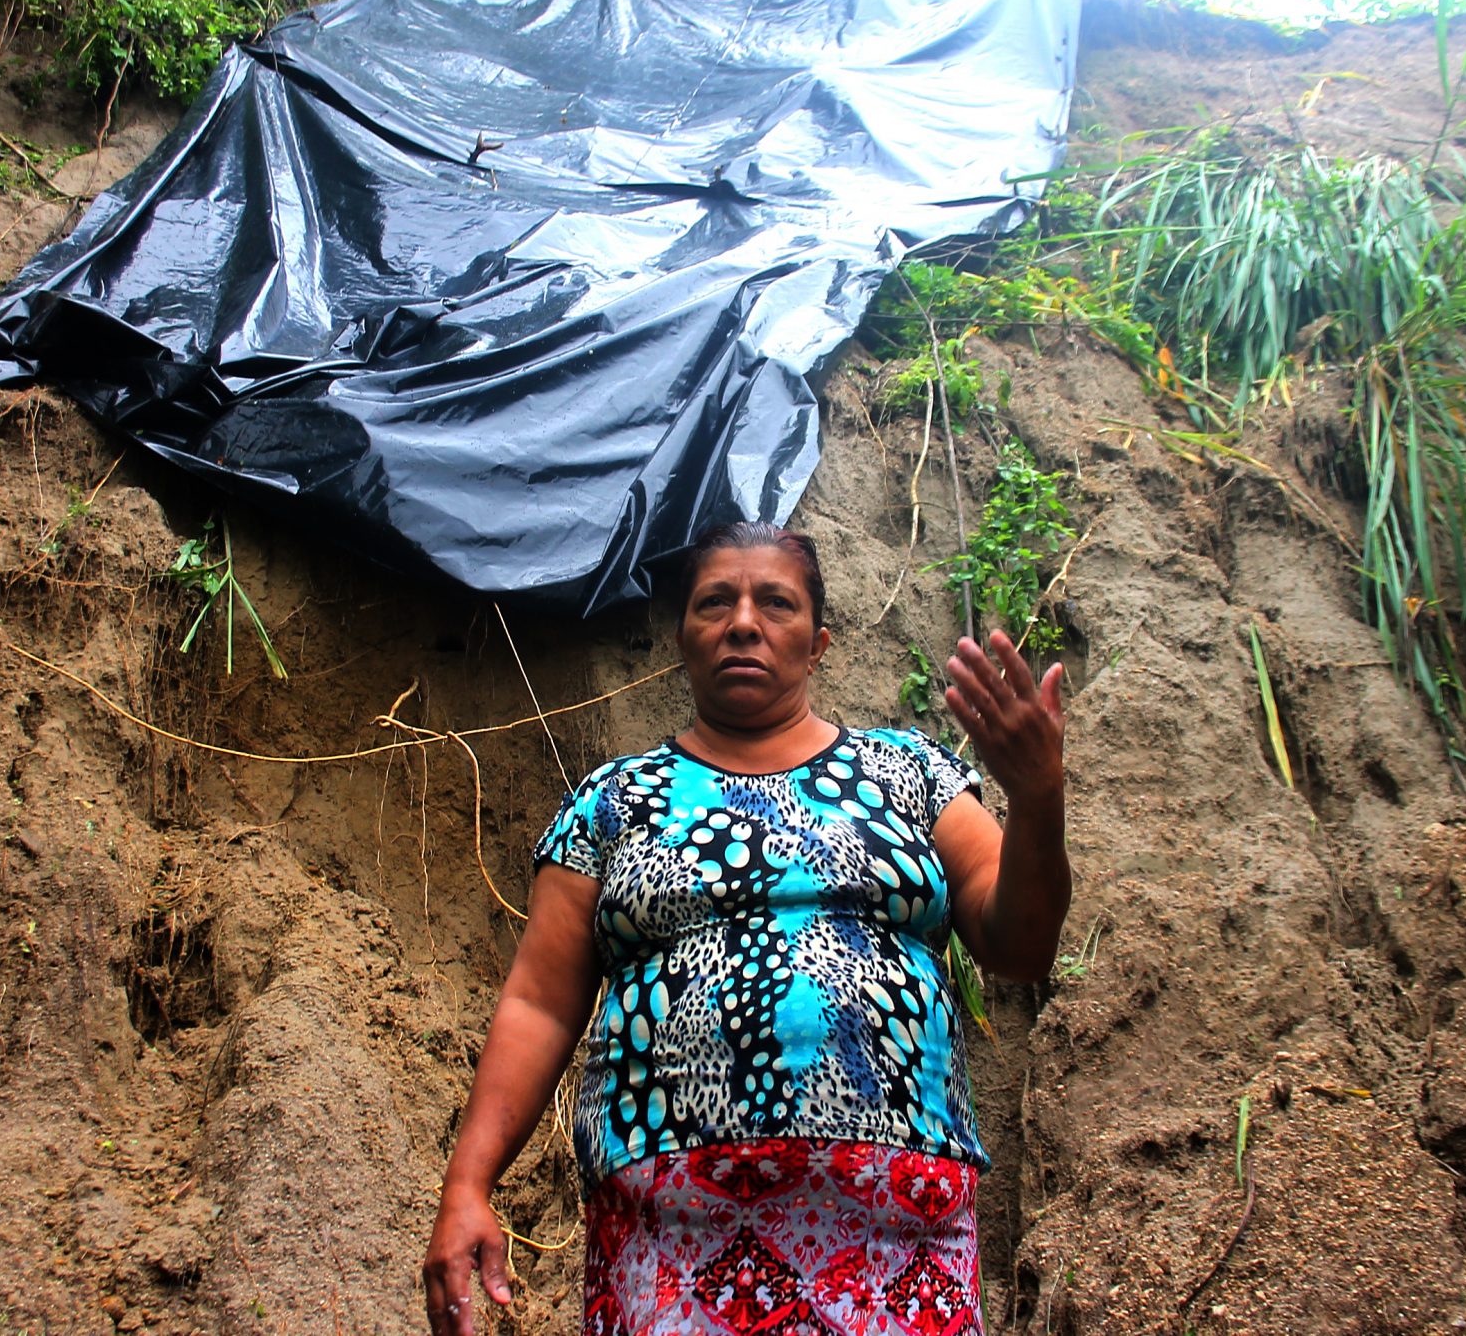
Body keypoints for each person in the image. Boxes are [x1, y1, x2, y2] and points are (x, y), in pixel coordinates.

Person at [423, 521, 1072, 1335]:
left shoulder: (909, 772)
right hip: (670, 1227)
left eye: (776, 602)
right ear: (682, 639)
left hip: (900, 1217)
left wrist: (1038, 798)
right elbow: (540, 1004)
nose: (742, 622)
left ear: (819, 643)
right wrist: (467, 1187)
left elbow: (1023, 946)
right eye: (713, 603)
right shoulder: (612, 800)